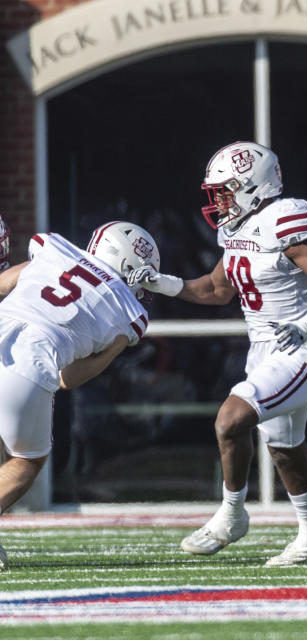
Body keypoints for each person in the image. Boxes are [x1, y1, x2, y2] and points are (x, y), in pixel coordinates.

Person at [132, 141, 307, 566]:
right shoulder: (237, 229)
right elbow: (216, 289)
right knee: (285, 447)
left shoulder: (284, 222)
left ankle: (232, 514)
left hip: (301, 347)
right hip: (264, 349)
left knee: (230, 419)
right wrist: (162, 282)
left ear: (253, 186)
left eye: (225, 190)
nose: (217, 201)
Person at [0, 222, 158, 570]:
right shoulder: (128, 313)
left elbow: (5, 282)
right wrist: (113, 349)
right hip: (29, 365)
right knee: (26, 462)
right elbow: (68, 378)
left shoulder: (55, 251)